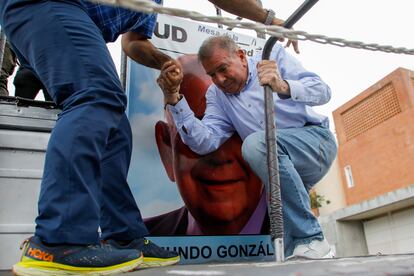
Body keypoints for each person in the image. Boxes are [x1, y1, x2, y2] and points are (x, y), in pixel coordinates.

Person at [0, 1, 301, 275]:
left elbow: (134, 43)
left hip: (70, 17)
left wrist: (163, 61)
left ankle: (124, 237)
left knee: (115, 127)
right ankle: (58, 240)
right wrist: (269, 18)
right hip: (46, 5)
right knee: (97, 96)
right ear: (165, 146)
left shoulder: (150, 4)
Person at [158, 35, 337, 259]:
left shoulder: (272, 56)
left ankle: (311, 238)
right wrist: (174, 98)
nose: (220, 79)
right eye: (212, 74)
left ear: (241, 56)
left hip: (316, 142)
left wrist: (283, 85)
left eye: (223, 68)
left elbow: (323, 91)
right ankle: (308, 256)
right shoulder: (217, 95)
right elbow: (205, 141)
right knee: (279, 212)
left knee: (255, 144)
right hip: (280, 165)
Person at [146, 55, 267, 236]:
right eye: (194, 130)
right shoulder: (144, 238)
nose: (220, 156)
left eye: (237, 130)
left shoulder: (296, 235)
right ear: (167, 150)